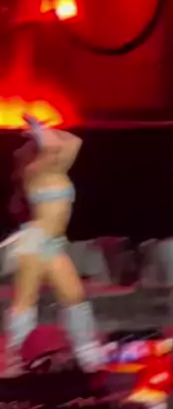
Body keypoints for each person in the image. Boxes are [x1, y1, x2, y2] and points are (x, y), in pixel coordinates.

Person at [3, 117, 103, 375]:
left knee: (74, 298)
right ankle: (13, 360)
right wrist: (39, 129)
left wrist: (45, 129)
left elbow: (74, 141)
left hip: (53, 244)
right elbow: (54, 146)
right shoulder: (34, 171)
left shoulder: (58, 169)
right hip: (35, 242)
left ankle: (89, 357)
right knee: (25, 301)